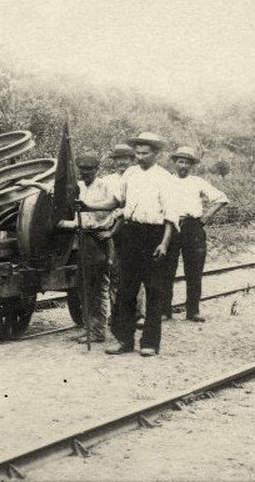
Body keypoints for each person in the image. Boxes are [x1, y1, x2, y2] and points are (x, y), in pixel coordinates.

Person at [82, 131, 176, 357]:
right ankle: (124, 341)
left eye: (145, 153)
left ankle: (150, 342)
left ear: (156, 154)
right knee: (125, 290)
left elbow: (172, 216)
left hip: (155, 235)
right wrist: (88, 205)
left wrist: (164, 244)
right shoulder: (130, 174)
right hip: (131, 233)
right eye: (138, 153)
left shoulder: (165, 178)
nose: (140, 157)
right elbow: (116, 201)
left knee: (154, 291)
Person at [163, 146, 229, 322]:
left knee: (194, 270)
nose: (183, 165)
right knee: (167, 269)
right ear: (174, 162)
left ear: (191, 165)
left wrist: (205, 217)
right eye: (180, 161)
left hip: (193, 227)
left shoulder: (197, 182)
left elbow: (221, 198)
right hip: (171, 225)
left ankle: (193, 310)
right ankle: (164, 310)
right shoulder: (166, 180)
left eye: (186, 162)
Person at [68, 152, 116, 345]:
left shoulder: (105, 186)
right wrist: (34, 184)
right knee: (84, 286)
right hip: (83, 239)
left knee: (97, 287)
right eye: (82, 170)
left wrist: (110, 232)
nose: (85, 173)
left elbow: (117, 209)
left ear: (97, 169)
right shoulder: (78, 187)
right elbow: (56, 191)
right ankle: (90, 327)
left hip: (99, 238)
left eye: (89, 169)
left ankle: (98, 330)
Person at [106, 143, 145, 326]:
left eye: (126, 159)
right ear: (114, 162)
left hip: (133, 228)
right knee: (114, 271)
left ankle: (138, 313)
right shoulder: (107, 181)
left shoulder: (139, 177)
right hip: (113, 229)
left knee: (135, 271)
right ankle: (117, 313)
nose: (122, 162)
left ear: (132, 160)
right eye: (118, 159)